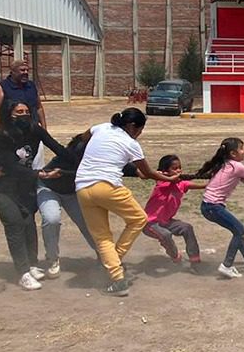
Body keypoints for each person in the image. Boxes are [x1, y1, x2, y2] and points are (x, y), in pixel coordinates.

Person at [76, 108, 171, 296]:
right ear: (132, 126)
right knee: (138, 219)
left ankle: (118, 280)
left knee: (102, 237)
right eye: (140, 130)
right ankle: (116, 260)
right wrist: (170, 179)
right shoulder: (131, 143)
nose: (140, 134)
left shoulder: (101, 128)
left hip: (82, 187)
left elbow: (84, 136)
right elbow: (150, 173)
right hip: (107, 186)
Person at [0, 99, 67, 290]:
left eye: (26, 111)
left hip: (24, 186)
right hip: (3, 188)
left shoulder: (35, 129)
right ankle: (22, 273)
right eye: (18, 112)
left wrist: (77, 161)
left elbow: (57, 147)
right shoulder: (3, 135)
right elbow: (9, 166)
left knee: (28, 223)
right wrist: (40, 174)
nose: (23, 115)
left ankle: (32, 264)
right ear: (9, 115)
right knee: (14, 223)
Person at [197, 137, 244, 278]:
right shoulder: (237, 166)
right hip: (213, 207)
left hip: (207, 206)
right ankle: (227, 265)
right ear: (233, 153)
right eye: (242, 148)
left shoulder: (225, 164)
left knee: (237, 230)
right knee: (240, 230)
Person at [37, 129, 98, 276]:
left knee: (89, 223)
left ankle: (105, 256)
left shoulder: (101, 153)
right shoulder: (77, 149)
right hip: (48, 187)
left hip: (71, 192)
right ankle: (52, 258)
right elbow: (82, 171)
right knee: (52, 219)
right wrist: (63, 173)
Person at [142, 154, 205, 268]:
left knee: (187, 228)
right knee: (166, 235)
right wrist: (163, 175)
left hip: (166, 222)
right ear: (165, 171)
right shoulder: (161, 182)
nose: (178, 170)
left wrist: (217, 179)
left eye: (179, 167)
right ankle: (176, 258)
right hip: (149, 223)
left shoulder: (182, 184)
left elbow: (204, 185)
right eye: (174, 168)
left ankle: (195, 261)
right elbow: (151, 175)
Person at [0, 57, 46, 132]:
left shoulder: (31, 86)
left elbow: (39, 108)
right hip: (11, 132)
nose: (26, 72)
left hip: (32, 130)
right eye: (22, 70)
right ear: (13, 71)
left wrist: (44, 129)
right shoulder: (2, 87)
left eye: (27, 70)